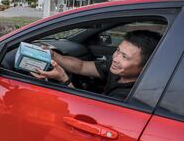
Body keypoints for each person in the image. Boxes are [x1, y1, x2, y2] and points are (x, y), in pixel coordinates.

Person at [31, 30, 161, 100]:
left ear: (146, 67)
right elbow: (81, 66)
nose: (115, 58)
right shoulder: (118, 69)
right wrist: (54, 56)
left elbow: (84, 113)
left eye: (125, 57)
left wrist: (63, 79)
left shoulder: (130, 95)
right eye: (118, 50)